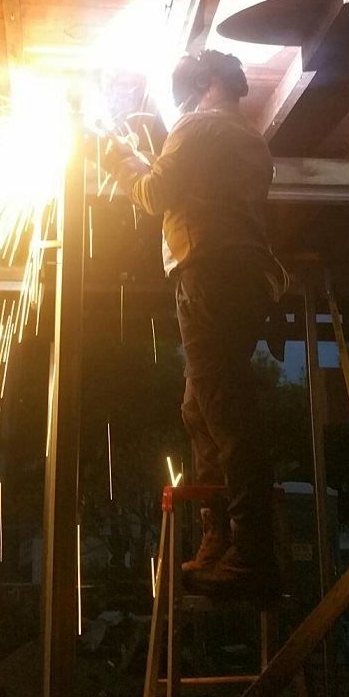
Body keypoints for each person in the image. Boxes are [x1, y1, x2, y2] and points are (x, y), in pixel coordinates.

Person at [103, 50, 280, 598]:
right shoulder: (244, 136)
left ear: (204, 84)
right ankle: (218, 539)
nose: (177, 108)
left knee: (222, 406)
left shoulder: (199, 124)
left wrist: (116, 158)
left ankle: (249, 551)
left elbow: (156, 192)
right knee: (199, 405)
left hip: (208, 270)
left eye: (182, 97)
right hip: (241, 275)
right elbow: (184, 178)